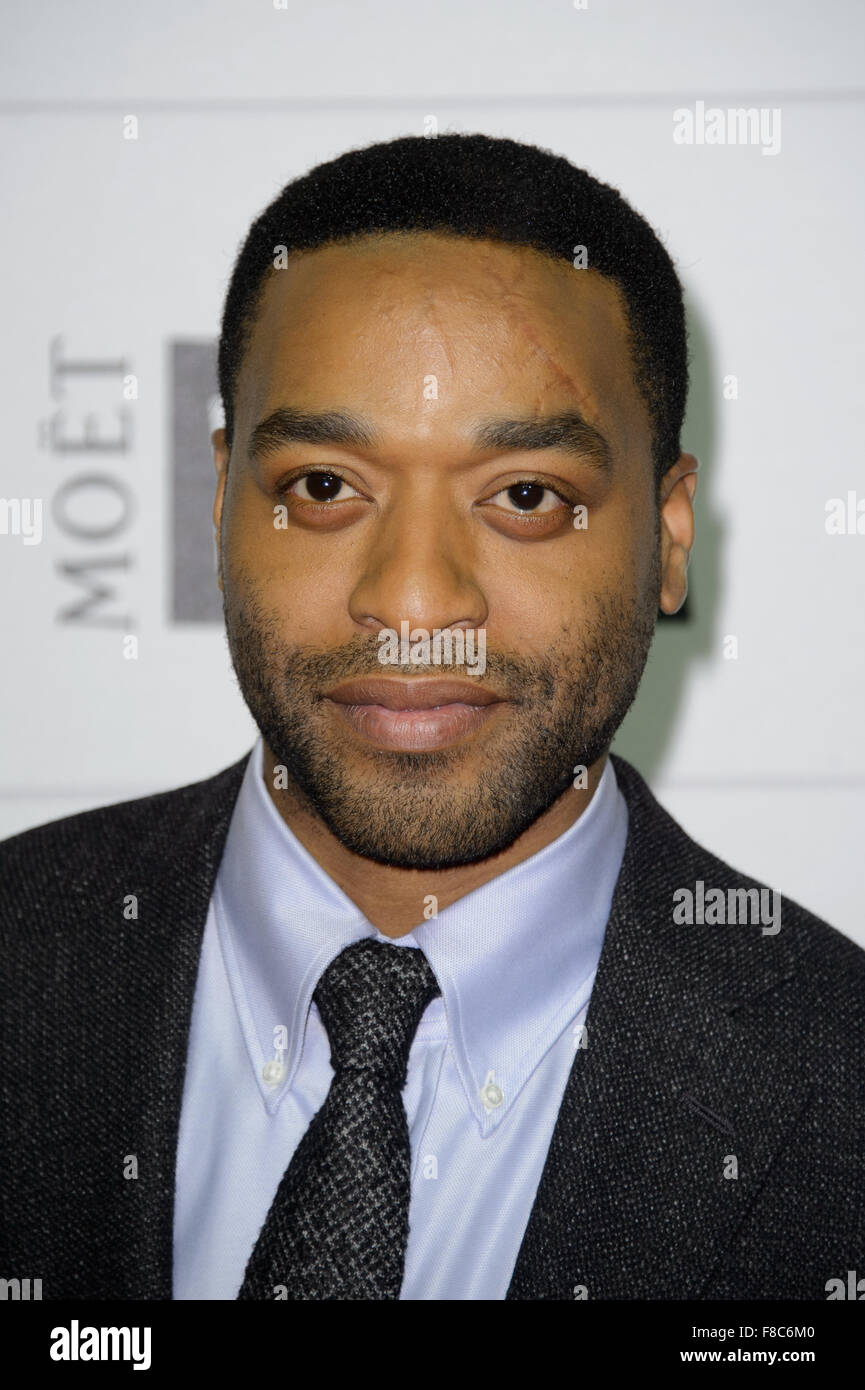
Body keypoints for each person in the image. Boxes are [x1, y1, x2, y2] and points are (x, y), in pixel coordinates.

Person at [1, 133, 862, 1301]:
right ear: (216, 503)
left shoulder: (837, 1082)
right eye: (321, 485)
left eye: (523, 496)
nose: (413, 603)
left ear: (667, 537)